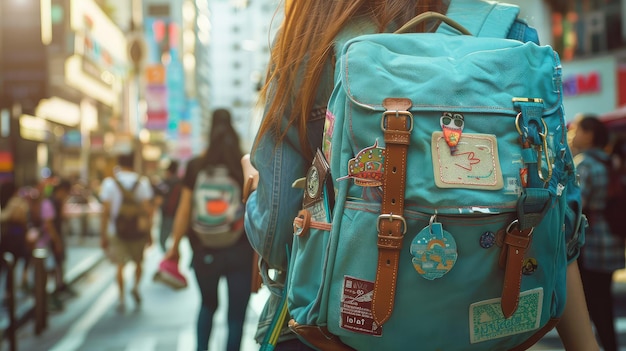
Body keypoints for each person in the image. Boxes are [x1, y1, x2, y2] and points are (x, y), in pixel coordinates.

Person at [241, 1, 599, 350]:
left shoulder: (313, 36)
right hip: (487, 329)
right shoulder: (513, 35)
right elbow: (557, 220)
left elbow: (277, 233)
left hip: (336, 330)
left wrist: (256, 190)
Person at [165, 108, 253, 351]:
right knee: (235, 317)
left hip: (205, 249)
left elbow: (184, 211)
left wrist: (174, 248)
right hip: (240, 249)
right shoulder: (243, 164)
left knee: (207, 306)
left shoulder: (196, 166)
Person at [570, 114, 624, 351]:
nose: (573, 133)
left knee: (591, 304)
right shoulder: (610, 161)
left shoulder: (584, 164)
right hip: (611, 240)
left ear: (590, 134)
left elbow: (575, 206)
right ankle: (609, 344)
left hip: (590, 244)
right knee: (604, 301)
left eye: (578, 129)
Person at [99, 152, 154, 312]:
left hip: (116, 230)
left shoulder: (110, 183)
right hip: (138, 230)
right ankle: (136, 287)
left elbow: (105, 212)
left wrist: (103, 235)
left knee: (120, 265)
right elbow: (147, 210)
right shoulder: (142, 182)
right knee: (139, 262)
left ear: (119, 163)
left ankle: (121, 298)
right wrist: (150, 233)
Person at [39, 179, 74, 309]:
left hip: (54, 239)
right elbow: (48, 225)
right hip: (48, 242)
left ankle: (56, 291)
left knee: (57, 265)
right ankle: (48, 298)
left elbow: (62, 219)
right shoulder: (48, 203)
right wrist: (57, 241)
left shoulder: (58, 203)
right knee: (50, 268)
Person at [0, 181, 33, 291]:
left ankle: (9, 292)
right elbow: (23, 220)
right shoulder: (16, 202)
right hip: (16, 238)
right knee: (12, 264)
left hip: (7, 239)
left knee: (9, 266)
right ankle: (11, 291)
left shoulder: (6, 203)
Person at [155, 160, 182, 252]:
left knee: (163, 239)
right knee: (175, 239)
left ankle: (167, 257)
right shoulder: (180, 182)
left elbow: (159, 198)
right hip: (178, 214)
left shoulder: (166, 182)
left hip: (167, 214)